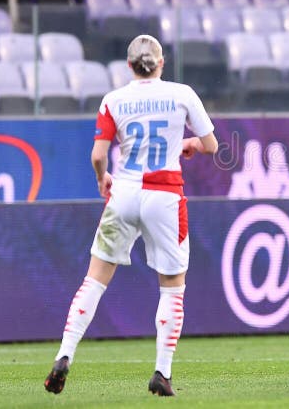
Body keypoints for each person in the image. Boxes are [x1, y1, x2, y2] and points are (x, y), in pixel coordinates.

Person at [44, 35, 219, 396]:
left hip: (123, 192)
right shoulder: (181, 94)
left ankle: (65, 355)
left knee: (94, 280)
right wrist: (189, 144)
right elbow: (211, 145)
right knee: (172, 287)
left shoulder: (115, 100)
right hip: (165, 196)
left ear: (129, 66)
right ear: (161, 63)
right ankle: (162, 372)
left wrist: (101, 179)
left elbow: (97, 155)